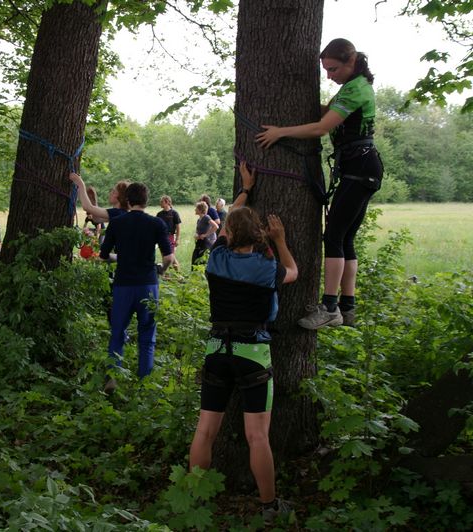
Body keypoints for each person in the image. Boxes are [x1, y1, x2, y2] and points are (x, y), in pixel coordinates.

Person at [189, 161, 298, 523]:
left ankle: (193, 498)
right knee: (258, 437)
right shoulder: (268, 269)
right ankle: (269, 507)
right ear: (261, 236)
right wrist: (281, 241)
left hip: (217, 350)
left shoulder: (215, 260)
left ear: (229, 235)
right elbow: (294, 273)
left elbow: (230, 217)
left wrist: (246, 190)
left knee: (205, 429)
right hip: (253, 354)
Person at [256, 38, 383, 328]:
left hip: (359, 168)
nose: (329, 75)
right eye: (325, 70)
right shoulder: (352, 88)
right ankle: (347, 307)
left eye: (333, 69)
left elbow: (322, 128)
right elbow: (328, 111)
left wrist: (281, 132)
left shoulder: (356, 89)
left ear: (351, 62)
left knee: (334, 236)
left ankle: (329, 308)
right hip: (362, 168)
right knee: (345, 237)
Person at [99, 182, 175, 392]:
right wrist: (161, 269)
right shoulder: (156, 223)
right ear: (146, 201)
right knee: (147, 334)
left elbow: (104, 256)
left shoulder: (117, 222)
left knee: (117, 331)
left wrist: (119, 257)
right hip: (148, 284)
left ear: (128, 201)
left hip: (123, 284)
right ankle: (144, 381)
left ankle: (113, 376)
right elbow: (168, 257)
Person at [191, 201, 219, 269]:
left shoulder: (206, 217)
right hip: (200, 242)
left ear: (200, 210)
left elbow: (216, 226)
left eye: (196, 208)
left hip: (206, 243)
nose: (195, 209)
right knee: (195, 260)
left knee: (202, 261)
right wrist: (196, 235)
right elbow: (198, 231)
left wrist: (206, 235)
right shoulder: (199, 220)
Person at [157, 195, 182, 271]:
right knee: (164, 257)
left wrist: (177, 239)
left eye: (162, 202)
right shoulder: (159, 214)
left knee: (171, 256)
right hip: (161, 237)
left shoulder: (174, 213)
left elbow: (178, 227)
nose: (160, 203)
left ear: (167, 202)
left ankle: (179, 275)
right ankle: (166, 276)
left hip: (170, 236)